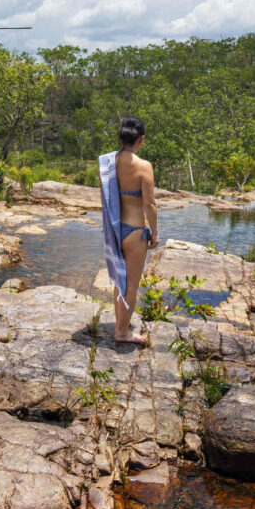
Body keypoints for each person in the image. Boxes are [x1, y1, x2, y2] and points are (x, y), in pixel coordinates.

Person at [98, 116, 159, 345]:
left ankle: (119, 325)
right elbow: (150, 204)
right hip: (135, 231)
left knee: (119, 282)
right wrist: (154, 232)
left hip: (114, 230)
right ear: (140, 140)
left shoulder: (107, 162)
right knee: (131, 285)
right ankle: (122, 332)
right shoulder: (144, 166)